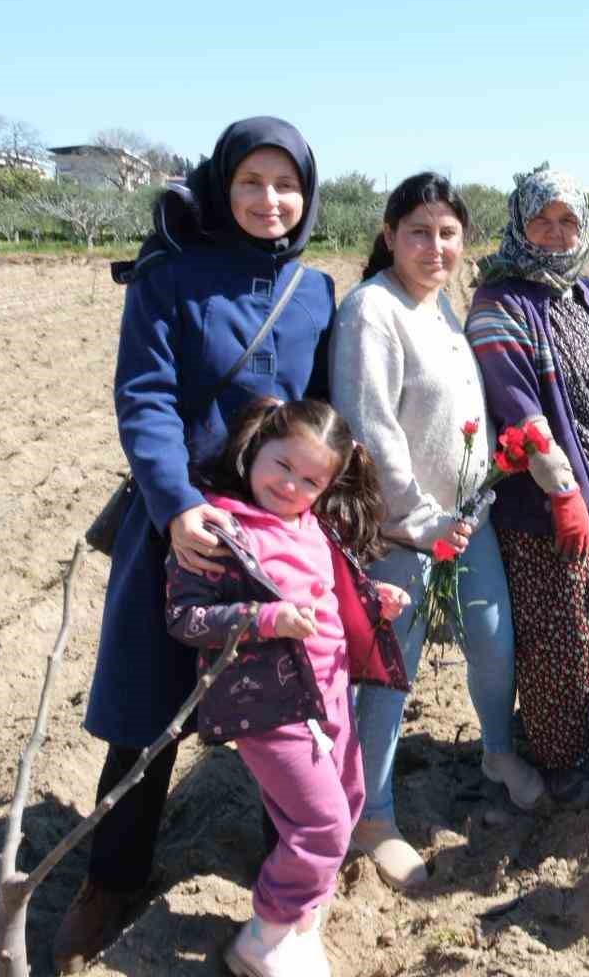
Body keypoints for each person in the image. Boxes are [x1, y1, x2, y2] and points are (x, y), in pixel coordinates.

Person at [57, 117, 334, 974]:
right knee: (148, 705)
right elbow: (144, 397)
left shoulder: (315, 290)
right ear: (221, 184)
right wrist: (176, 506)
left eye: (286, 185)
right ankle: (112, 877)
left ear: (308, 195)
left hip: (277, 534)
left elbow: (326, 419)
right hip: (185, 524)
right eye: (251, 182)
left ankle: (287, 882)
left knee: (288, 700)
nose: (268, 200)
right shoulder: (169, 276)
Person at [330, 173, 541, 889]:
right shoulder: (372, 310)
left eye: (448, 233)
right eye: (419, 232)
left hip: (466, 520)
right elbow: (370, 430)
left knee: (493, 639)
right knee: (389, 676)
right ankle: (374, 816)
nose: (435, 246)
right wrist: (422, 523)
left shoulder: (443, 307)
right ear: (390, 236)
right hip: (400, 532)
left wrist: (469, 507)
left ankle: (498, 752)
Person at [167, 398, 409, 977]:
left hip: (330, 693)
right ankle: (263, 937)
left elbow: (326, 593)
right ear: (256, 447)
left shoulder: (311, 524)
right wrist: (267, 619)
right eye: (282, 465)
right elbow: (185, 617)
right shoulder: (222, 529)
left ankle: (301, 922)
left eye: (311, 481)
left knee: (348, 800)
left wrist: (373, 600)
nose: (291, 485)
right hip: (269, 703)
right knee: (321, 823)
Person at [467, 168, 589, 809]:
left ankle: (568, 737)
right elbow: (517, 406)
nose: (555, 234)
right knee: (560, 642)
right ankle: (557, 762)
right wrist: (562, 492)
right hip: (544, 510)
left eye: (568, 221)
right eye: (541, 221)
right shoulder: (499, 302)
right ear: (519, 225)